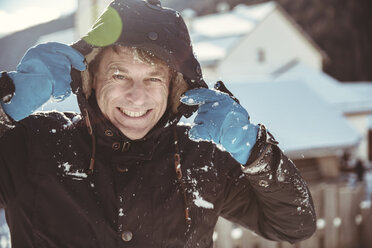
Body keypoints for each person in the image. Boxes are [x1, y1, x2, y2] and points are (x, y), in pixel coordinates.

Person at [0, 0, 316, 247]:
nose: (137, 96)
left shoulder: (204, 159)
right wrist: (3, 105)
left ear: (175, 88)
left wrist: (255, 151)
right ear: (91, 80)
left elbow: (294, 224)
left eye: (153, 78)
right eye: (119, 74)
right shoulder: (33, 145)